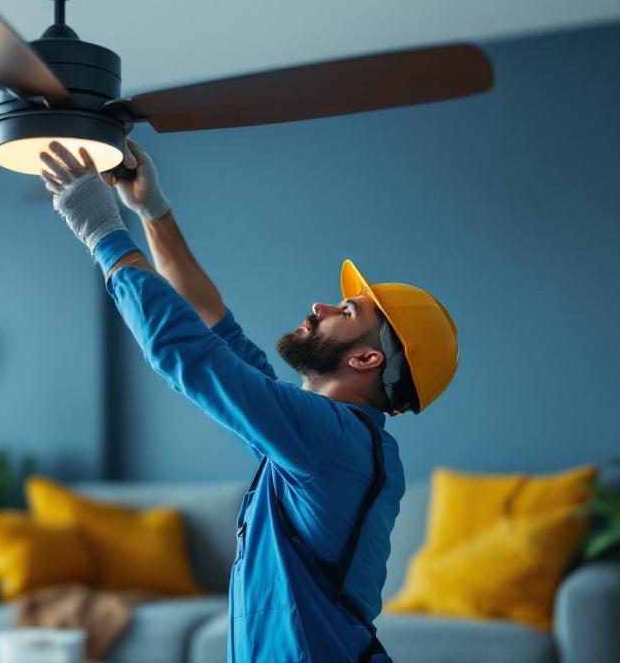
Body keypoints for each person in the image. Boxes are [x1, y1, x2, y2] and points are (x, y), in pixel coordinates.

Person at [39, 138, 459, 663]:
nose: (321, 306)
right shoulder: (324, 440)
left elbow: (188, 354)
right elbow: (213, 325)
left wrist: (102, 233)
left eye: (347, 312)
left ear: (367, 359)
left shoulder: (331, 441)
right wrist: (153, 211)